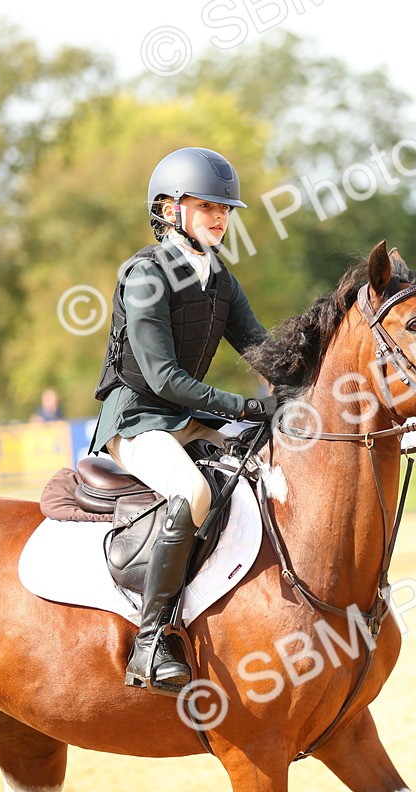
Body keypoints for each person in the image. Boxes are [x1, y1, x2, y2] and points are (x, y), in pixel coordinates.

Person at [90, 146, 276, 690]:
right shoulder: (144, 275)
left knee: (263, 467)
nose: (220, 217)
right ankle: (151, 642)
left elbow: (262, 350)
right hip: (137, 421)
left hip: (184, 418)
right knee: (195, 493)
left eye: (225, 209)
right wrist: (244, 406)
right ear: (169, 209)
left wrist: (307, 379)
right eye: (206, 206)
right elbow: (162, 377)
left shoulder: (219, 278)